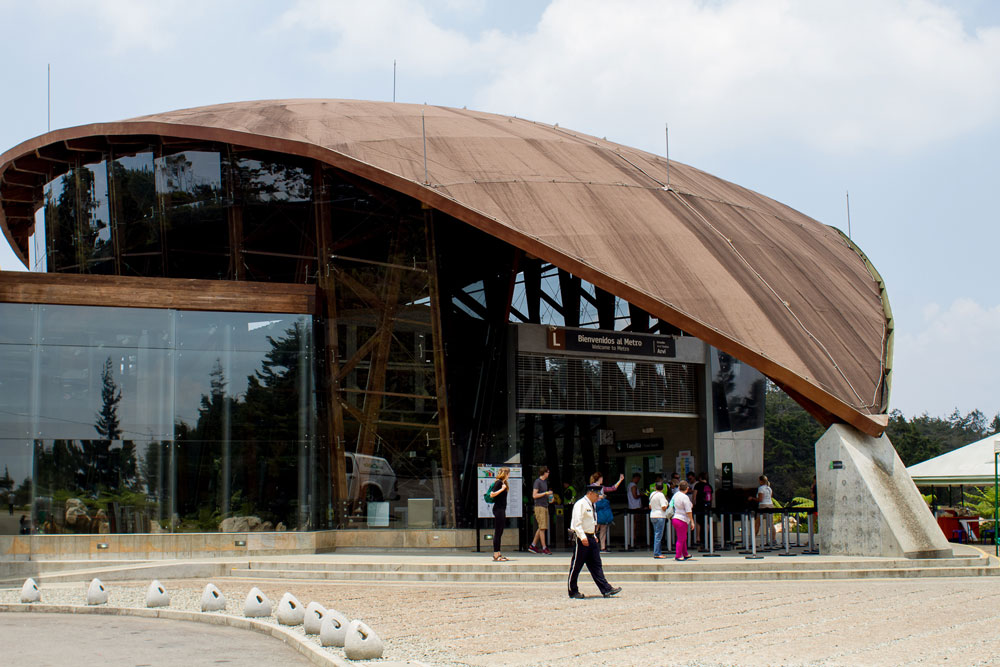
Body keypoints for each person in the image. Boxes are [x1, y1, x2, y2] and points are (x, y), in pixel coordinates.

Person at [567, 483, 622, 599]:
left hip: (591, 537)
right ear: (590, 493)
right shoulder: (580, 504)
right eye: (597, 496)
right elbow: (577, 523)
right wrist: (582, 537)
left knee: (596, 565)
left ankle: (606, 589)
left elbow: (591, 521)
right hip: (582, 538)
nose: (598, 498)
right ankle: (573, 590)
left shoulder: (591, 505)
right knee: (576, 565)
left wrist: (593, 535)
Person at [590, 471, 623, 552]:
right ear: (599, 478)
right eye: (602, 478)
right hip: (597, 510)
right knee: (596, 528)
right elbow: (594, 496)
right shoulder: (593, 486)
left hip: (602, 510)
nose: (602, 480)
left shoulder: (601, 487)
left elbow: (613, 488)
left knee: (602, 528)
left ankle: (602, 547)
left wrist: (620, 480)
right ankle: (595, 546)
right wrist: (601, 496)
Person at [529, 466, 554, 554]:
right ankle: (544, 547)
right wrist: (545, 493)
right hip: (539, 506)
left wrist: (549, 496)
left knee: (541, 527)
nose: (548, 474)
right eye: (548, 472)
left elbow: (544, 494)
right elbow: (534, 495)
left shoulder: (545, 482)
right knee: (542, 528)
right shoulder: (537, 482)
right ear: (544, 472)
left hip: (545, 505)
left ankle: (533, 545)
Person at [488, 467, 510, 561]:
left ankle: (498, 553)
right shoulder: (499, 483)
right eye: (508, 474)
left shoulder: (503, 483)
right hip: (498, 509)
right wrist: (502, 489)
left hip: (501, 509)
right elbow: (492, 494)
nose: (509, 476)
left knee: (500, 532)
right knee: (498, 532)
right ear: (505, 474)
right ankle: (496, 554)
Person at [671, 480, 695, 561]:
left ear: (679, 487)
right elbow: (688, 510)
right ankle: (678, 555)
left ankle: (685, 553)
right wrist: (692, 521)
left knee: (683, 537)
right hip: (682, 519)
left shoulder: (676, 495)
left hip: (675, 517)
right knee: (681, 538)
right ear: (687, 488)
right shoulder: (685, 497)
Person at [649, 482, 669, 558]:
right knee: (659, 535)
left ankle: (657, 551)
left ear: (655, 487)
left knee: (656, 534)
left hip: (653, 515)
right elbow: (663, 507)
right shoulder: (661, 495)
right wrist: (667, 505)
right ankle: (657, 553)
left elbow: (650, 506)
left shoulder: (652, 494)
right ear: (663, 488)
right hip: (660, 515)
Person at [754, 474, 775, 543]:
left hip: (763, 505)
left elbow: (760, 499)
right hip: (770, 505)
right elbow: (770, 497)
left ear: (761, 481)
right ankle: (773, 539)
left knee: (757, 523)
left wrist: (752, 498)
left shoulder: (761, 488)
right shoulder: (769, 488)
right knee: (771, 524)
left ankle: (753, 539)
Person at [625, 473, 642, 550]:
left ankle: (632, 539)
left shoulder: (629, 485)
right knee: (635, 523)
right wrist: (642, 494)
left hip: (631, 506)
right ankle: (633, 539)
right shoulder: (633, 486)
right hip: (635, 506)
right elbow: (635, 496)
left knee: (633, 523)